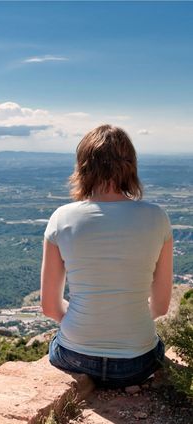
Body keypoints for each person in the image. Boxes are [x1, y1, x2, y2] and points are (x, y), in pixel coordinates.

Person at [40, 124, 173, 388]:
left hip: (76, 356)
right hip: (137, 362)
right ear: (130, 167)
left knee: (57, 341)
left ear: (83, 168)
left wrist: (85, 323)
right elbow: (160, 307)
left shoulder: (62, 218)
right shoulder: (157, 217)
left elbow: (50, 308)